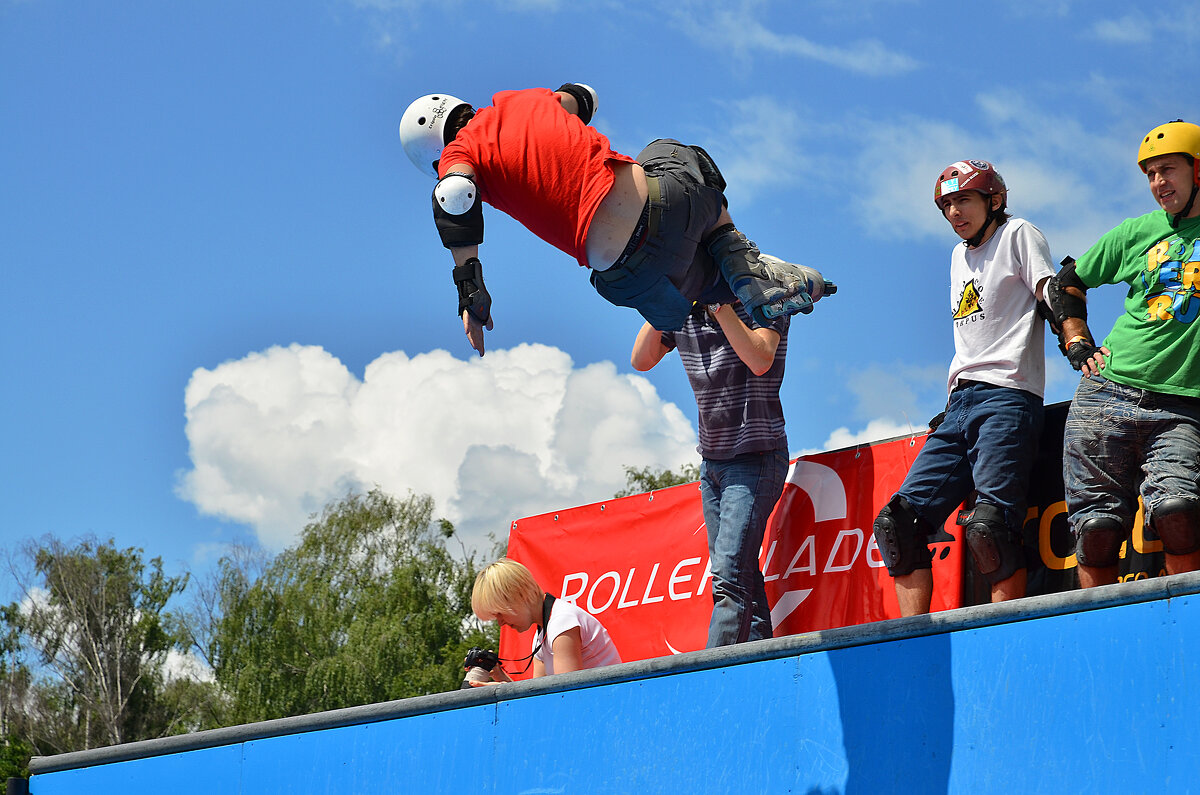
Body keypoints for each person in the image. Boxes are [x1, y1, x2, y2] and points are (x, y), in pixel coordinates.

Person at [398, 86, 832, 357]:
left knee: (707, 285)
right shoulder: (521, 99)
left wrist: (470, 290)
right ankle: (756, 274)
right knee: (674, 156)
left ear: (432, 154)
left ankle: (790, 282)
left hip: (633, 280)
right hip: (670, 206)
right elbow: (584, 97)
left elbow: (455, 193)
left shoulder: (458, 158)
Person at [871, 160, 1056, 616]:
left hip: (1008, 395)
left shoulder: (1018, 234)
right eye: (947, 205)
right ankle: (911, 641)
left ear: (994, 201)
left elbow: (1052, 292)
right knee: (899, 523)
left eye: (964, 200)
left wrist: (1078, 341)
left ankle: (1002, 634)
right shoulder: (958, 256)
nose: (955, 212)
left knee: (990, 529)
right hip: (959, 402)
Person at [1046, 120, 1200, 588]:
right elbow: (1067, 282)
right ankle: (1095, 636)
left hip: (1181, 406)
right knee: (1096, 531)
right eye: (1150, 174)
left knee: (1178, 514)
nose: (1158, 183)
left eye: (1168, 170)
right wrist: (1077, 342)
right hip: (1105, 394)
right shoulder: (1138, 232)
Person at [630, 296, 800, 647]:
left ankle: (712, 672)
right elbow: (641, 360)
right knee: (742, 577)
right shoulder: (680, 308)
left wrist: (719, 305)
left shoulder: (762, 296)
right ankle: (755, 669)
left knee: (729, 578)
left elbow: (760, 359)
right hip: (712, 462)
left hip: (757, 454)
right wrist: (656, 295)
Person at [469, 557, 621, 681]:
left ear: (520, 595)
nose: (501, 623)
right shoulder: (543, 633)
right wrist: (498, 676)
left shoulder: (562, 622)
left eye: (500, 614)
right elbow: (538, 697)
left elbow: (567, 694)